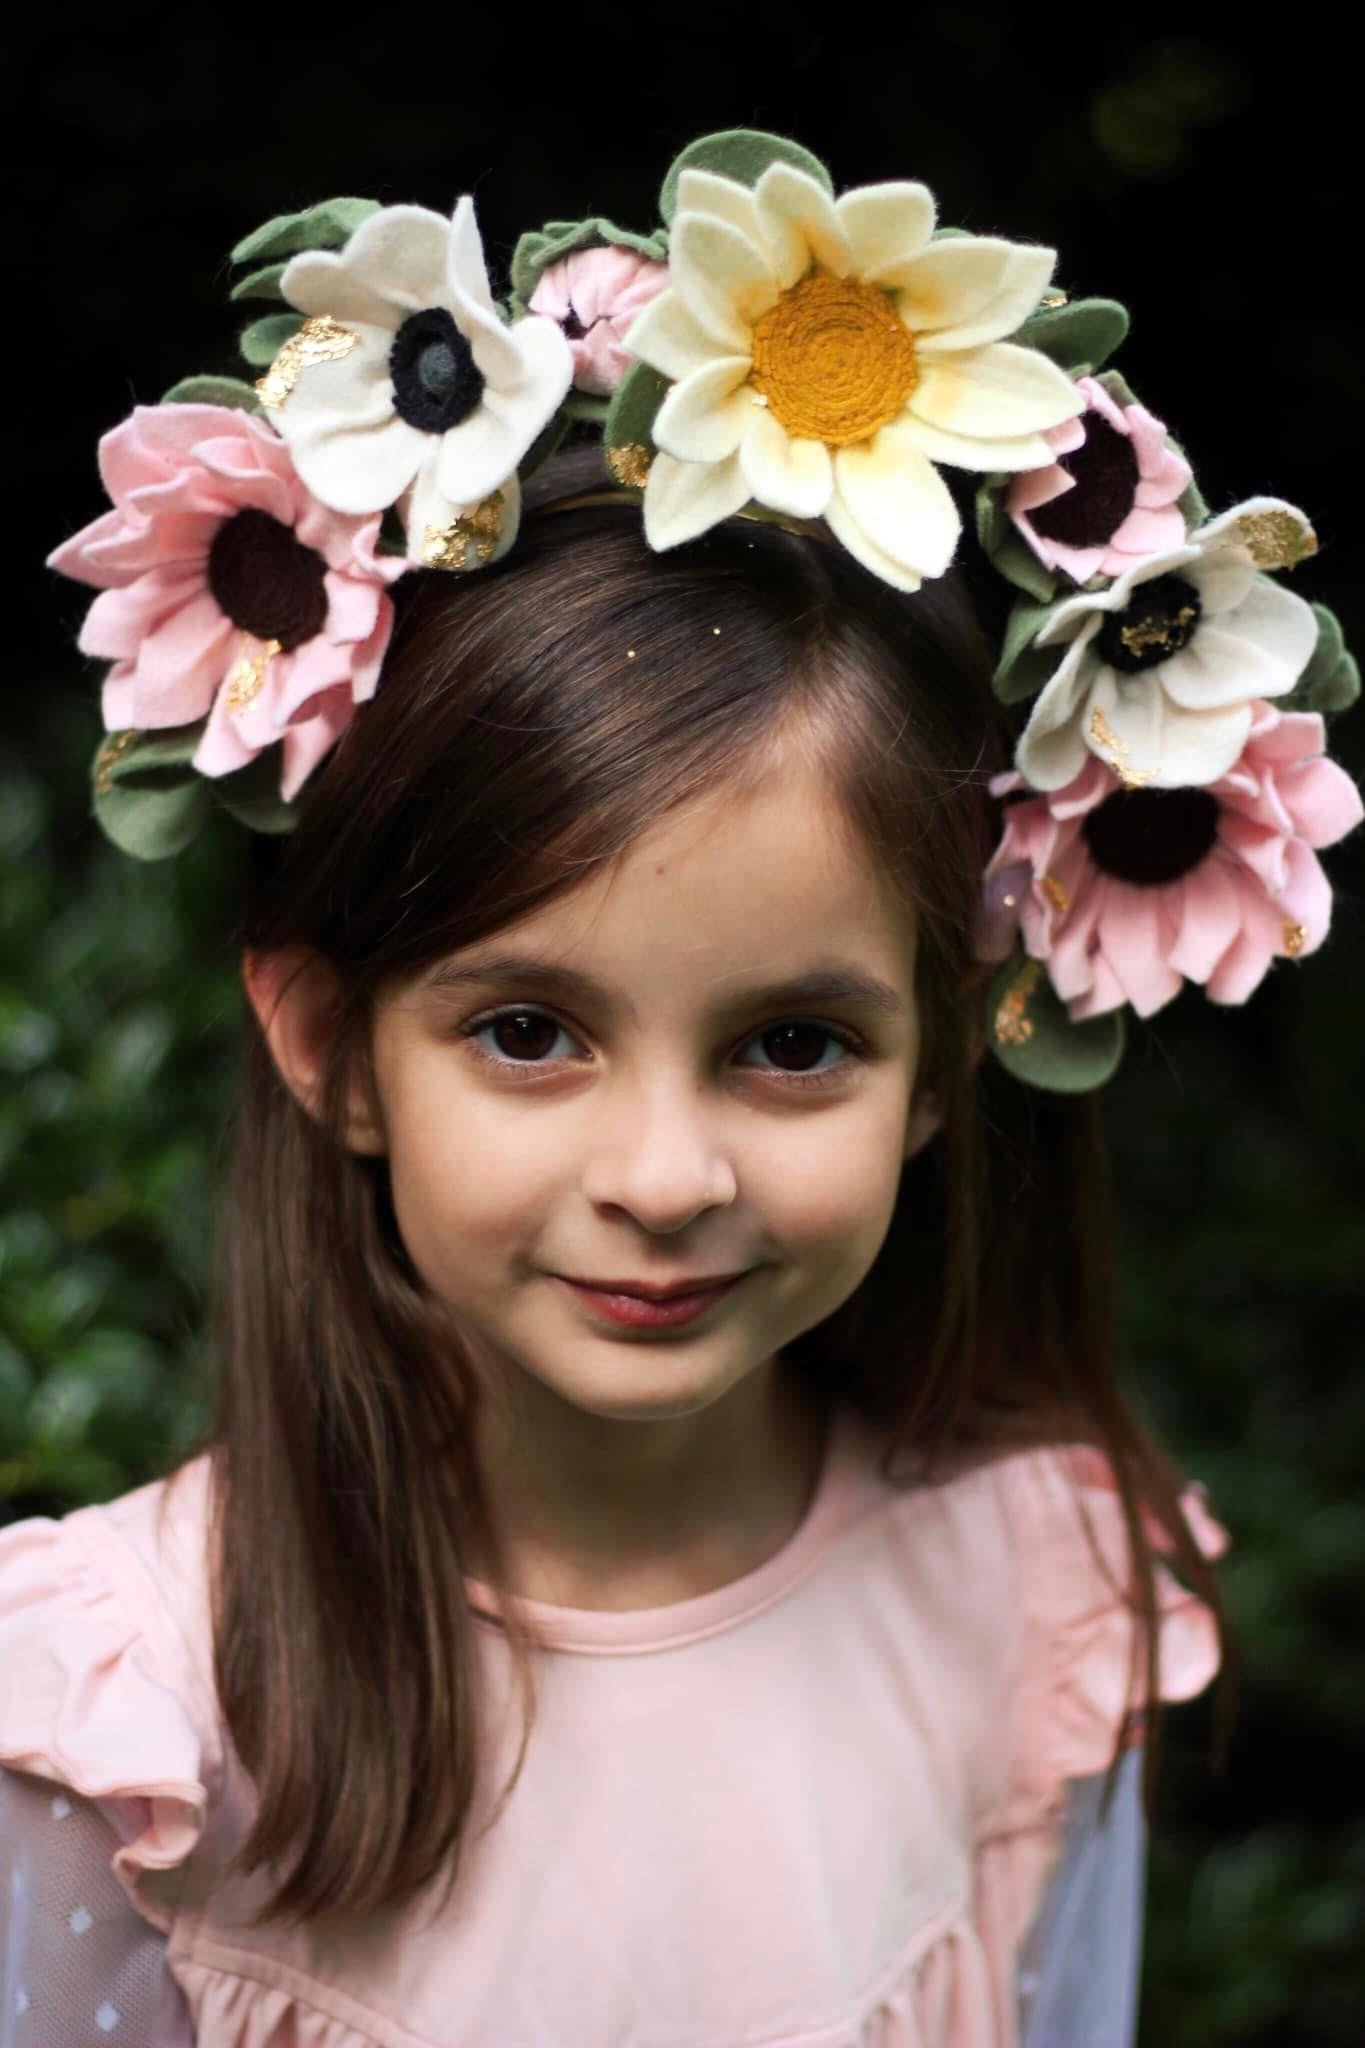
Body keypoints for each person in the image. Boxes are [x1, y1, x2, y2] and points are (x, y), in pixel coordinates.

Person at [2, 128, 1359, 2048]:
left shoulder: (1028, 1615)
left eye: (791, 1045)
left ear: (943, 1060)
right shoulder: (120, 1717)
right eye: (528, 1032)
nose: (661, 1174)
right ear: (330, 1047)